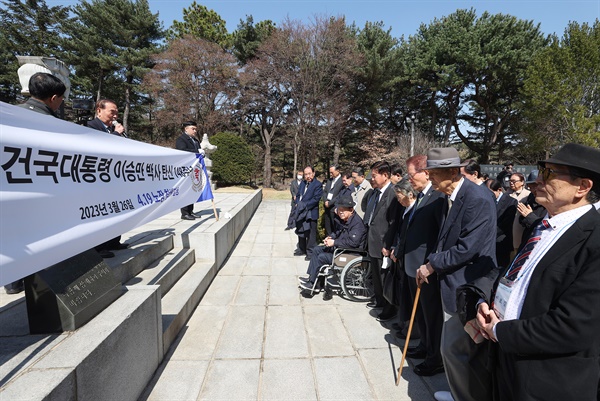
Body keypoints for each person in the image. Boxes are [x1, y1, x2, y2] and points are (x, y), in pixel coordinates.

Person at [475, 143, 600, 401]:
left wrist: (500, 332)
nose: (537, 180)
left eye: (550, 174)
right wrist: (485, 303)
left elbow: (573, 325)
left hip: (545, 379)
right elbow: (514, 278)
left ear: (583, 187)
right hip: (506, 364)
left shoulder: (594, 239)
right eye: (542, 170)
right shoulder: (543, 225)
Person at [416, 147, 497, 401]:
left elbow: (467, 248)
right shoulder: (447, 196)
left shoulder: (478, 198)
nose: (430, 179)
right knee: (456, 349)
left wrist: (431, 264)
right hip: (451, 280)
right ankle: (460, 392)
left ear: (453, 171)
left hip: (469, 283)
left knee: (455, 349)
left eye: (434, 174)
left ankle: (465, 395)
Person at [6, 73, 67, 294]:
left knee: (13, 232)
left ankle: (12, 281)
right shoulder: (49, 123)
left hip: (11, 188)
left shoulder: (10, 113)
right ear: (53, 98)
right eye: (61, 98)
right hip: (39, 188)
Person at [392, 155, 446, 376]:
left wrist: (430, 264)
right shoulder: (423, 196)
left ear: (426, 172)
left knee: (431, 316)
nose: (409, 179)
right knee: (422, 314)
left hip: (426, 269)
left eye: (411, 174)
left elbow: (441, 236)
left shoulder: (438, 197)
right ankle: (424, 345)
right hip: (412, 266)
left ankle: (435, 358)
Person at [86, 99, 130, 256]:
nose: (115, 115)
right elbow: (101, 147)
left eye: (116, 112)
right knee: (102, 212)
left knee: (116, 210)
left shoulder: (112, 129)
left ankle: (114, 241)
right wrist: (116, 134)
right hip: (99, 178)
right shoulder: (91, 126)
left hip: (115, 177)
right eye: (112, 111)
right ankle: (99, 247)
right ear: (99, 110)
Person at [298, 196, 366, 292]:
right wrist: (331, 237)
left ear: (351, 210)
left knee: (322, 257)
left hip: (351, 254)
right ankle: (312, 278)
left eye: (343, 210)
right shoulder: (345, 219)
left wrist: (334, 242)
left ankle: (314, 283)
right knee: (317, 249)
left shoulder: (357, 224)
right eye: (339, 210)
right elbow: (338, 231)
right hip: (342, 250)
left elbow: (353, 243)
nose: (340, 212)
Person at [364, 161, 401, 322]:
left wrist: (388, 244)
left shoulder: (393, 193)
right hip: (372, 241)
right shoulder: (375, 192)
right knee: (377, 277)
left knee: (385, 277)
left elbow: (394, 222)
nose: (372, 179)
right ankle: (380, 301)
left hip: (383, 244)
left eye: (374, 176)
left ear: (385, 175)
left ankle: (389, 308)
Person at [175, 121, 205, 220]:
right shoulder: (181, 139)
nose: (195, 131)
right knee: (185, 191)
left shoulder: (195, 140)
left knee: (192, 190)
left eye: (196, 129)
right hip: (185, 169)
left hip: (194, 168)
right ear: (186, 129)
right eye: (193, 128)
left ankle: (190, 210)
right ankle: (184, 213)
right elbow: (182, 151)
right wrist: (197, 151)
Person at [485, 179, 518, 268]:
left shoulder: (511, 202)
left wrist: (490, 235)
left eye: (491, 193)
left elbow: (506, 224)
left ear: (499, 190)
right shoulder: (487, 201)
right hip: (487, 243)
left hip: (501, 242)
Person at [294, 166, 323, 259]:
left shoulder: (317, 184)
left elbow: (316, 199)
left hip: (311, 212)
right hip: (301, 211)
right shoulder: (303, 183)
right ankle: (301, 249)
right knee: (301, 229)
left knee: (311, 233)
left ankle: (310, 253)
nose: (308, 176)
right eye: (306, 174)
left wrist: (304, 205)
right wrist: (298, 203)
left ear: (314, 173)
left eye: (309, 173)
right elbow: (298, 195)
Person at [507, 172, 531, 251]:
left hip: (520, 230)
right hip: (507, 231)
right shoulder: (506, 195)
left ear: (522, 182)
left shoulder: (528, 195)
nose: (511, 183)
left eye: (514, 181)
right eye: (510, 181)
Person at [322, 164, 343, 236]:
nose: (331, 174)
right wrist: (325, 201)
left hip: (334, 207)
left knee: (335, 227)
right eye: (330, 172)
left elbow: (339, 195)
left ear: (338, 171)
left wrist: (330, 203)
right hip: (327, 207)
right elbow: (325, 192)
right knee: (328, 227)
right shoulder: (329, 180)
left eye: (332, 172)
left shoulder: (342, 181)